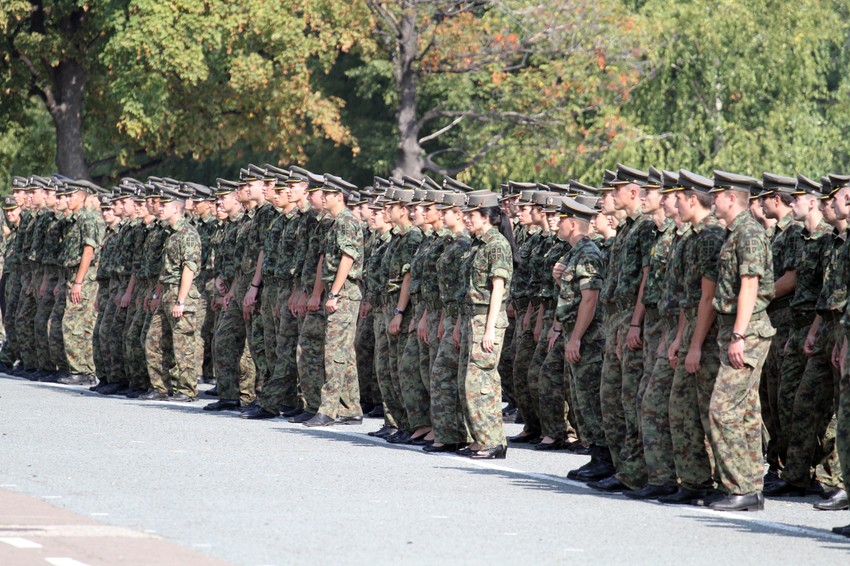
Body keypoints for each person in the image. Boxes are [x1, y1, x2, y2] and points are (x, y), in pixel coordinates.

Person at [704, 170, 774, 512]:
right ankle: (750, 487)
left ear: (732, 198)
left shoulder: (747, 232)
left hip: (747, 330)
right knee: (745, 411)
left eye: (716, 195)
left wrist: (739, 335)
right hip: (736, 328)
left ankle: (740, 485)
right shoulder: (734, 232)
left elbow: (751, 285)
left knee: (722, 409)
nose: (711, 201)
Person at [456, 191, 516, 459]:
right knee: (469, 380)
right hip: (473, 317)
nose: (466, 219)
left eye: (471, 215)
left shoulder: (496, 244)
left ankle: (493, 441)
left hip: (486, 318)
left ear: (486, 217)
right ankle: (482, 438)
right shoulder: (477, 244)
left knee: (480, 382)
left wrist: (490, 328)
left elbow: (498, 288)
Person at [141, 186, 205, 401]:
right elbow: (165, 269)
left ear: (177, 208)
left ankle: (186, 390)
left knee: (183, 344)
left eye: (164, 205)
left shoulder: (187, 233)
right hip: (166, 291)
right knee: (154, 340)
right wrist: (157, 294)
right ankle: (160, 388)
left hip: (180, 292)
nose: (159, 208)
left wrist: (181, 300)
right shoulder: (170, 234)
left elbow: (189, 268)